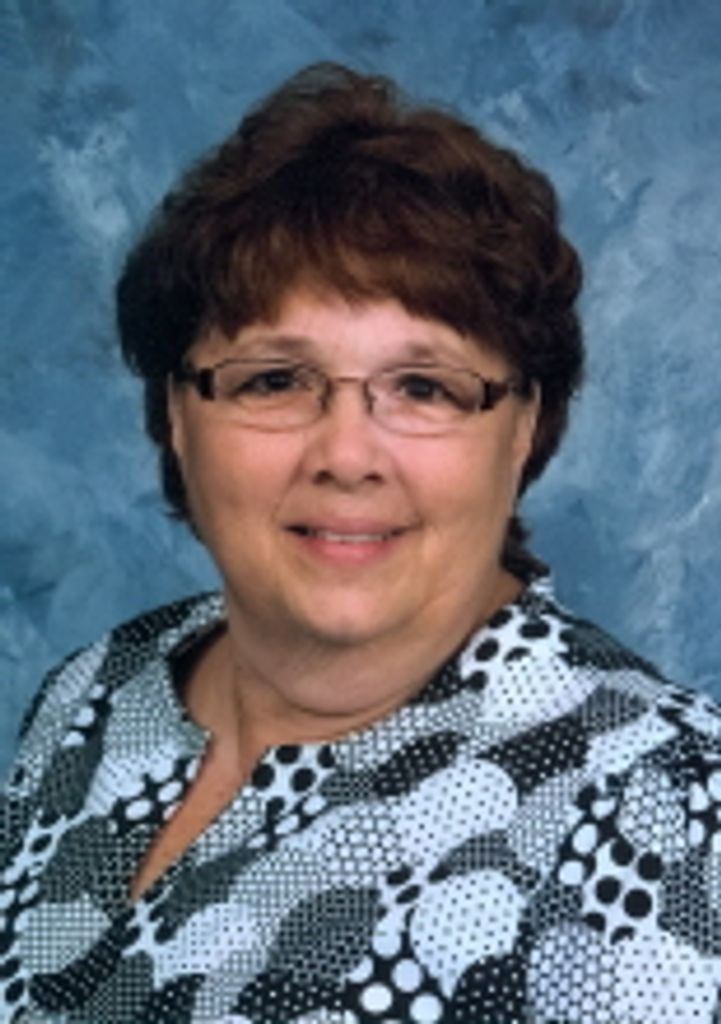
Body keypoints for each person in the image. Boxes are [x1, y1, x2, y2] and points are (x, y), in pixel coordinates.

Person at [1, 62, 719, 1024]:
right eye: (273, 380)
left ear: (522, 426)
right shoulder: (99, 689)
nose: (346, 455)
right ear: (177, 412)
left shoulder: (668, 812)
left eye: (424, 388)